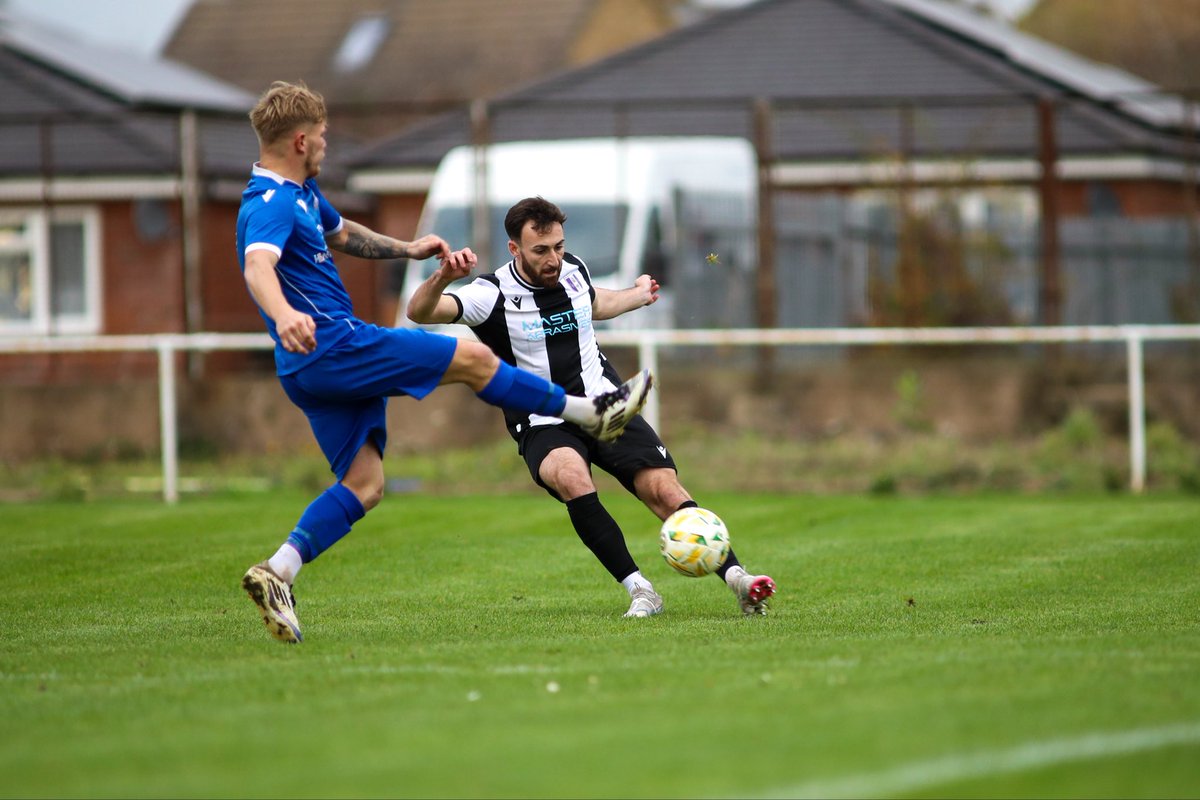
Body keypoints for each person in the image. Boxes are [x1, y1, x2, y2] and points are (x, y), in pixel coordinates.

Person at [236, 83, 652, 643]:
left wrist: (408, 250)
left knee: (365, 484)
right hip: (335, 344)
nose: (327, 146)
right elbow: (258, 266)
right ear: (301, 139)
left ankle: (278, 570)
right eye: (324, 137)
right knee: (473, 357)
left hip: (307, 369)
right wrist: (284, 312)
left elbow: (346, 235)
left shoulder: (303, 193)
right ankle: (588, 414)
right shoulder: (271, 203)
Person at [406, 196, 776, 618]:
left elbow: (596, 304)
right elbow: (419, 311)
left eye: (559, 247)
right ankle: (642, 591)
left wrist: (638, 294)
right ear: (515, 249)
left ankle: (739, 580)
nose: (554, 259)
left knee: (664, 490)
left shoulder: (573, 271)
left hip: (606, 405)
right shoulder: (488, 294)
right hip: (544, 418)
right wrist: (442, 277)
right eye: (541, 251)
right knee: (570, 475)